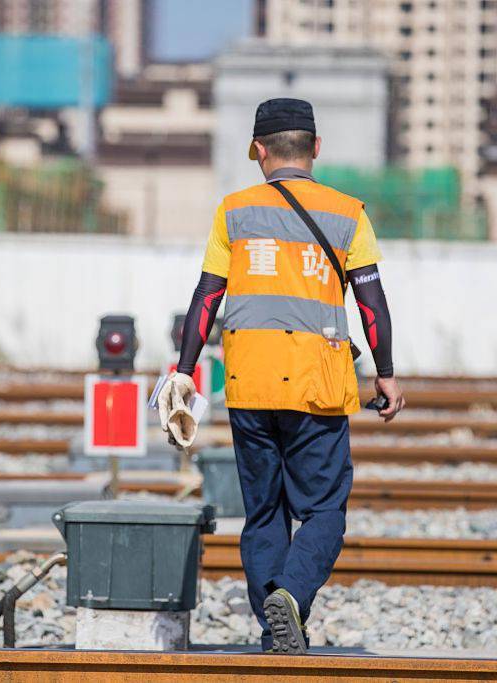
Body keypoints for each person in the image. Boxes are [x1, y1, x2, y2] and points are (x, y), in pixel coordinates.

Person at [158, 97, 405, 654]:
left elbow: (206, 297)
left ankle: (275, 626)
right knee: (322, 509)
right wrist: (385, 374)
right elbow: (373, 307)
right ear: (316, 148)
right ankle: (291, 597)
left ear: (259, 152)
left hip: (249, 383)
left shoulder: (234, 211)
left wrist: (185, 369)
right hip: (319, 385)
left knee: (263, 512)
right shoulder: (349, 213)